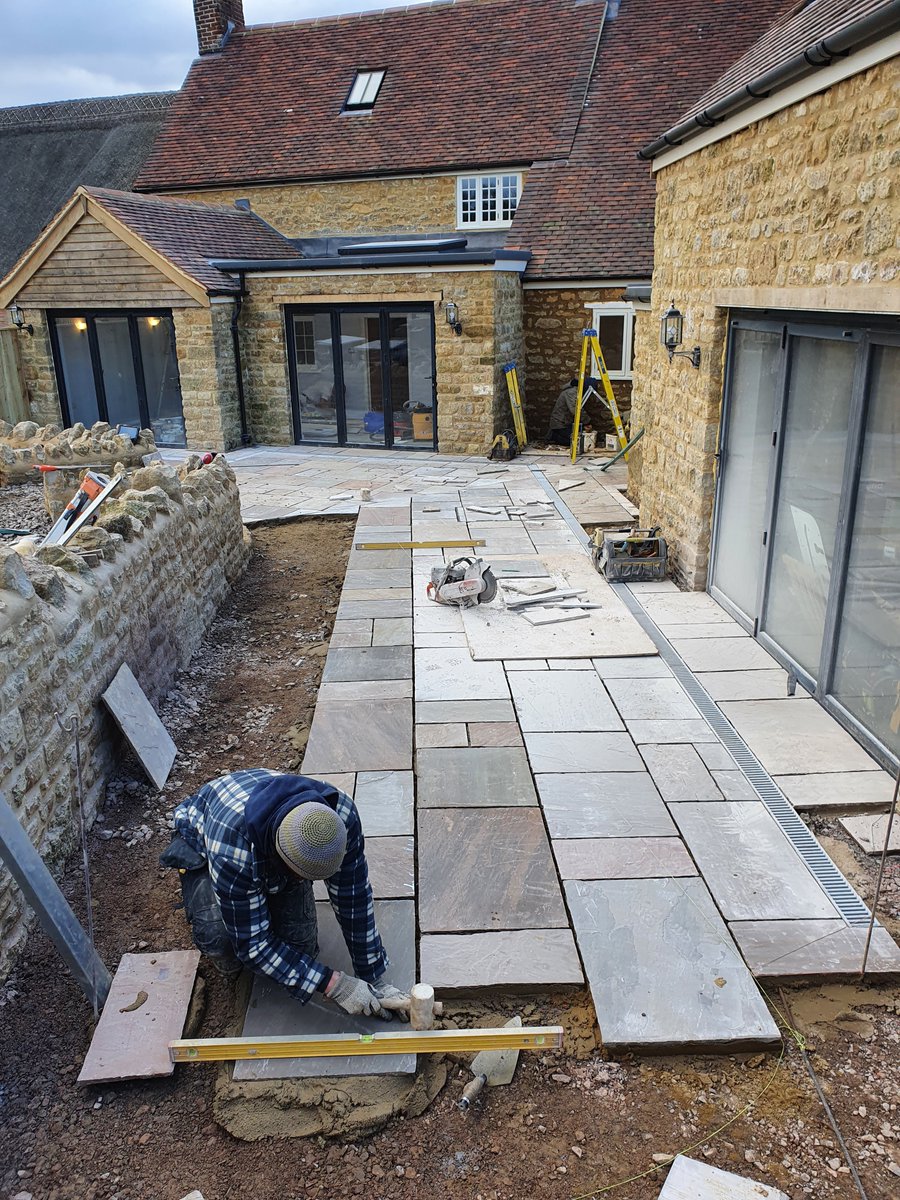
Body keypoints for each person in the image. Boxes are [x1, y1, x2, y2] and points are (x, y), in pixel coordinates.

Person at [160, 769, 410, 1021]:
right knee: (221, 938)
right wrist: (335, 985)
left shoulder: (339, 814)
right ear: (280, 855)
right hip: (204, 836)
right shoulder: (232, 850)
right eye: (301, 875)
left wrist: (373, 975)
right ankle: (227, 944)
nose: (307, 883)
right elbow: (253, 945)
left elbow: (353, 897)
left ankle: (268, 892)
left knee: (301, 950)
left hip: (267, 830)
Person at [547, 378, 584, 446]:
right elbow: (574, 410)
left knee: (579, 438)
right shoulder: (571, 392)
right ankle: (553, 436)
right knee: (574, 442)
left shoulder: (573, 391)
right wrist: (587, 421)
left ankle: (555, 435)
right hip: (560, 424)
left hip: (565, 422)